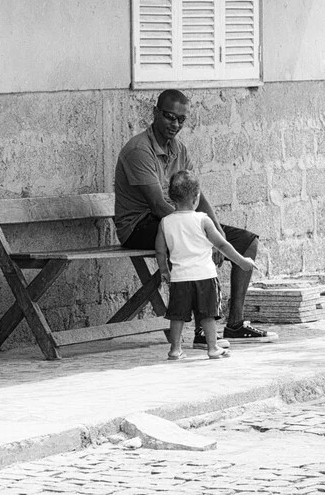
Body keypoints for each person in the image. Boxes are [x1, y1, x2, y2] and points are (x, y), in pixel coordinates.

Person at [114, 89, 276, 348]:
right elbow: (157, 205)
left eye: (181, 120)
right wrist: (203, 235)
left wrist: (217, 234)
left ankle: (235, 324)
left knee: (247, 242)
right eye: (169, 117)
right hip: (140, 226)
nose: (175, 124)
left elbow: (196, 197)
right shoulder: (138, 150)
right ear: (155, 113)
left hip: (176, 220)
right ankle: (203, 333)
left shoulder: (179, 149)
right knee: (199, 244)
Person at [156, 170, 256, 360]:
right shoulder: (203, 220)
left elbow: (160, 251)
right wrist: (242, 261)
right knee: (207, 316)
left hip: (180, 278)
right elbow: (222, 245)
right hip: (204, 277)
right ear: (197, 198)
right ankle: (212, 347)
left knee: (177, 316)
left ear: (170, 198)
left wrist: (164, 271)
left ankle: (175, 349)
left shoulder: (165, 223)